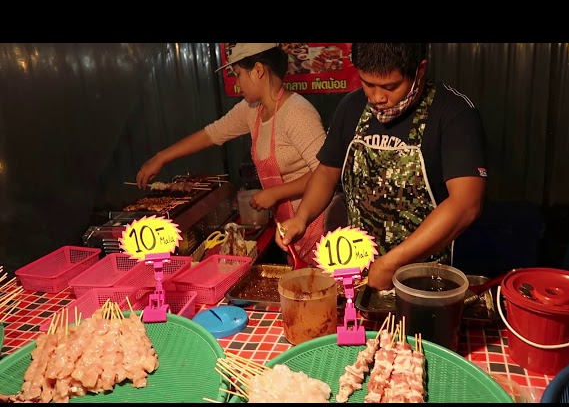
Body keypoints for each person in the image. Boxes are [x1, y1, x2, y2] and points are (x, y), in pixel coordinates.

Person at [277, 43, 488, 290]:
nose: (377, 98)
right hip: (358, 273)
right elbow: (327, 171)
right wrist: (301, 217)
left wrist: (392, 263)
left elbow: (466, 204)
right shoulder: (351, 107)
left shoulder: (454, 114)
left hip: (425, 281)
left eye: (390, 87)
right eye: (368, 84)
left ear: (419, 70)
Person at [136, 43, 333, 265]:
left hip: (319, 228)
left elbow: (326, 171)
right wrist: (162, 157)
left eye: (238, 74)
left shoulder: (297, 112)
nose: (238, 83)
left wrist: (276, 193)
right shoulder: (252, 110)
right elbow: (213, 133)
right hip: (291, 231)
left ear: (258, 70)